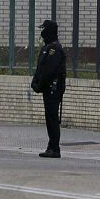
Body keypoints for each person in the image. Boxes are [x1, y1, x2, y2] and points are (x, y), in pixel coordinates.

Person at [31, 20, 66, 158]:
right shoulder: (47, 47)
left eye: (44, 29)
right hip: (48, 87)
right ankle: (51, 147)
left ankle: (54, 148)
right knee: (50, 117)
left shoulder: (54, 49)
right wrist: (35, 81)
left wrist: (40, 84)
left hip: (53, 88)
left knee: (52, 118)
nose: (42, 32)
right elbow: (41, 67)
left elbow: (49, 70)